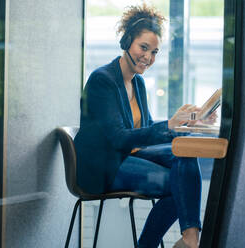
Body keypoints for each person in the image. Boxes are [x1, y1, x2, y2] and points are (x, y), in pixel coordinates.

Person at [74, 4, 217, 248]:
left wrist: (190, 121)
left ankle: (190, 238)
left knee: (185, 151)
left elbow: (147, 128)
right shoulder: (102, 80)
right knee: (177, 183)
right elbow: (119, 138)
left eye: (154, 52)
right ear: (127, 41)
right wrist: (170, 125)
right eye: (144, 47)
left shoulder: (137, 84)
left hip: (128, 154)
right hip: (102, 165)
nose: (148, 57)